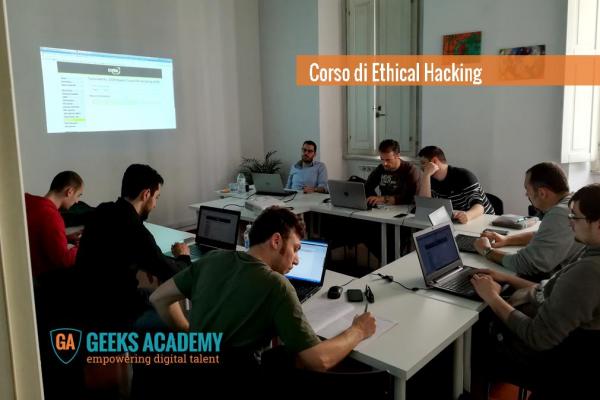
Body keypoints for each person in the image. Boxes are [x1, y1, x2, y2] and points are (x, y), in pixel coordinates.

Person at [150, 207, 375, 394]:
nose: (297, 260)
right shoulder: (276, 285)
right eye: (296, 249)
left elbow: (159, 298)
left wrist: (190, 334)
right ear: (276, 241)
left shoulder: (213, 259)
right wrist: (358, 330)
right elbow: (319, 360)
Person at [469, 183, 600, 398]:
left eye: (575, 217)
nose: (569, 222)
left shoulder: (589, 272)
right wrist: (506, 278)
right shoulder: (591, 251)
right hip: (554, 331)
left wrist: (492, 297)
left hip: (548, 358)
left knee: (472, 324)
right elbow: (555, 289)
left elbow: (537, 337)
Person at [74, 164, 191, 331]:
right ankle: (189, 336)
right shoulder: (135, 230)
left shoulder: (102, 210)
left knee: (152, 292)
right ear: (146, 194)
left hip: (85, 302)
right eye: (156, 197)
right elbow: (175, 273)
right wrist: (183, 256)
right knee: (166, 301)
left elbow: (118, 253)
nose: (155, 204)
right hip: (115, 312)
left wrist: (147, 263)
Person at [474, 162, 584, 279]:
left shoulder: (560, 214)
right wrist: (507, 239)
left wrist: (487, 251)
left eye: (527, 189)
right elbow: (544, 236)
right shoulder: (572, 202)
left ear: (542, 193)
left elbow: (526, 264)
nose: (526, 194)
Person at [25, 171, 84, 278]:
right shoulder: (52, 216)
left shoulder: (27, 200)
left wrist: (66, 237)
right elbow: (63, 260)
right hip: (37, 277)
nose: (77, 201)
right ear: (69, 192)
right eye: (78, 195)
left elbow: (37, 235)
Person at [417, 145, 494, 223]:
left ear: (434, 161)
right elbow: (424, 205)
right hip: (455, 222)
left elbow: (479, 207)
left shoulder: (464, 176)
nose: (421, 167)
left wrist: (467, 216)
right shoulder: (429, 179)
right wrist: (426, 176)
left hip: (484, 221)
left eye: (423, 163)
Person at [365, 139, 421, 206]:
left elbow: (410, 198)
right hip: (385, 207)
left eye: (388, 160)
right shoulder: (381, 168)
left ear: (397, 155)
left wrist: (384, 199)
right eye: (382, 159)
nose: (384, 163)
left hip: (404, 207)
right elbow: (367, 187)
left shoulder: (411, 170)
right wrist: (373, 200)